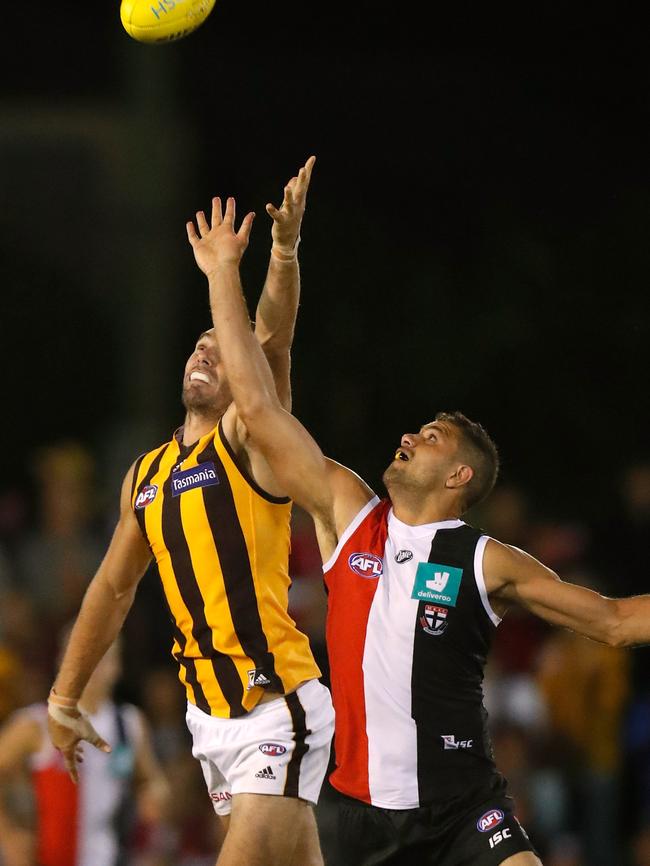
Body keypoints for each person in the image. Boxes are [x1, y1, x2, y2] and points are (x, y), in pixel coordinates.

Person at [185, 194, 650, 866]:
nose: (409, 435)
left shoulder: (488, 560)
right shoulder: (349, 512)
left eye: (430, 438)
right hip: (357, 818)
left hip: (465, 809)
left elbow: (613, 620)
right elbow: (257, 406)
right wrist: (235, 268)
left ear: (460, 476)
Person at [47, 159, 335, 866]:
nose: (208, 347)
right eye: (198, 344)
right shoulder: (145, 477)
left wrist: (280, 254)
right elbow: (113, 590)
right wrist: (63, 695)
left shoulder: (248, 439)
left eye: (217, 346)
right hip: (209, 721)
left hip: (275, 707)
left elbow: (269, 342)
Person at [0, 636, 169, 866]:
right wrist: (8, 835)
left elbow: (151, 782)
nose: (92, 666)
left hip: (112, 857)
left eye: (102, 657)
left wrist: (154, 798)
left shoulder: (129, 724)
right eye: (81, 655)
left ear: (117, 666)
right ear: (62, 662)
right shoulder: (36, 723)